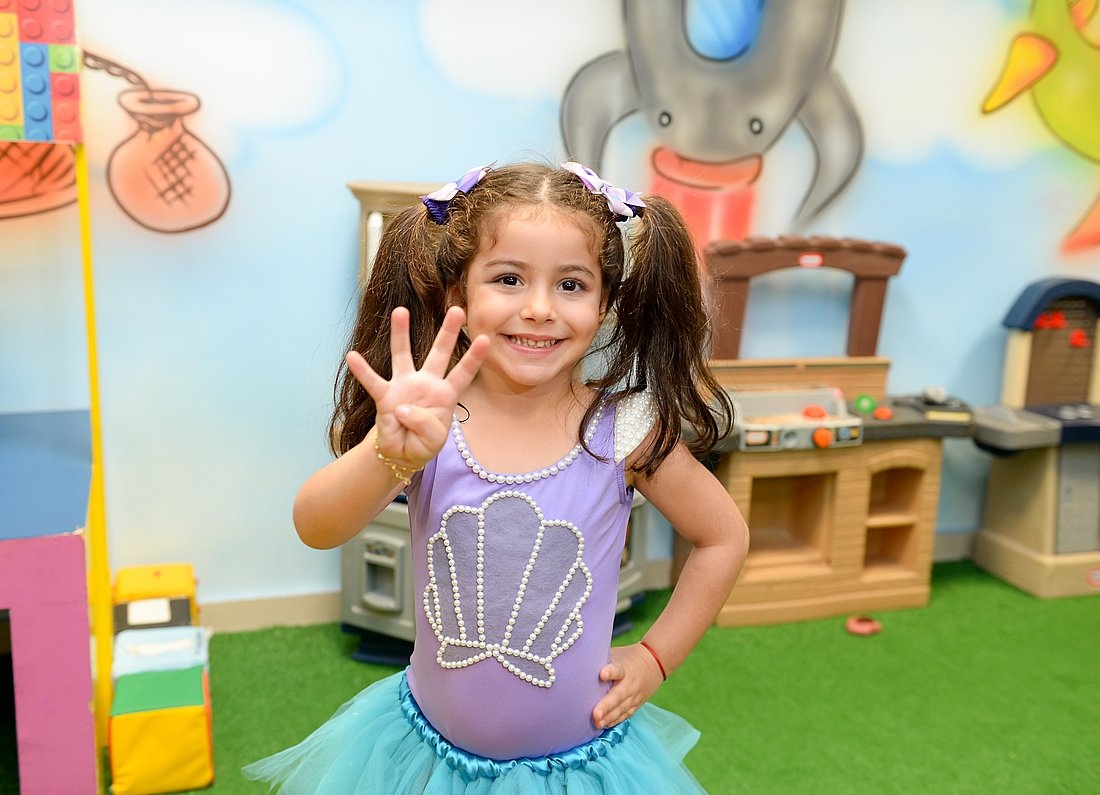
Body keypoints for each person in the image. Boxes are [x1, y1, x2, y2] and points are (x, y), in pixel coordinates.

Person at [244, 160, 749, 793]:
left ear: (604, 304)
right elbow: (316, 528)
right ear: (458, 293)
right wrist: (388, 453)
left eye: (571, 285)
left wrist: (655, 657)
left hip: (581, 768)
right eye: (508, 278)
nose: (538, 309)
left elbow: (723, 536)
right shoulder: (431, 420)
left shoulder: (622, 430)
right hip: (426, 760)